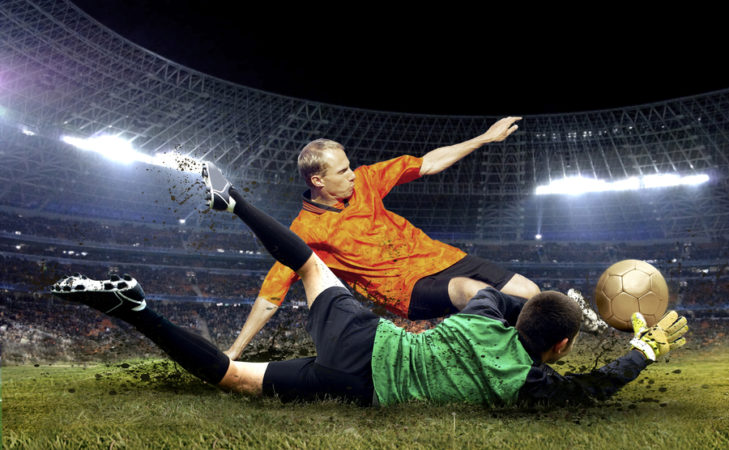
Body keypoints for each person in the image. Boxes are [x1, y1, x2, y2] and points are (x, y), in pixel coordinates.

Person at [50, 164, 688, 407]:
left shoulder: (488, 312)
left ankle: (233, 199)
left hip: (364, 333)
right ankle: (134, 310)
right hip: (359, 381)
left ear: (518, 318)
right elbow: (594, 391)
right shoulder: (525, 382)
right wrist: (646, 349)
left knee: (307, 263)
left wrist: (538, 301)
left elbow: (478, 288)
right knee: (231, 379)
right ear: (557, 351)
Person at [226, 116, 606, 360]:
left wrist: (484, 138)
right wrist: (234, 351)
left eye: (350, 166)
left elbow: (428, 162)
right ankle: (535, 355)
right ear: (318, 181)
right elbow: (270, 296)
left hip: (439, 255)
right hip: (406, 291)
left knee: (528, 288)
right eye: (343, 172)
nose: (353, 175)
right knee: (467, 291)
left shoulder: (367, 181)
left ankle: (555, 327)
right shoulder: (304, 232)